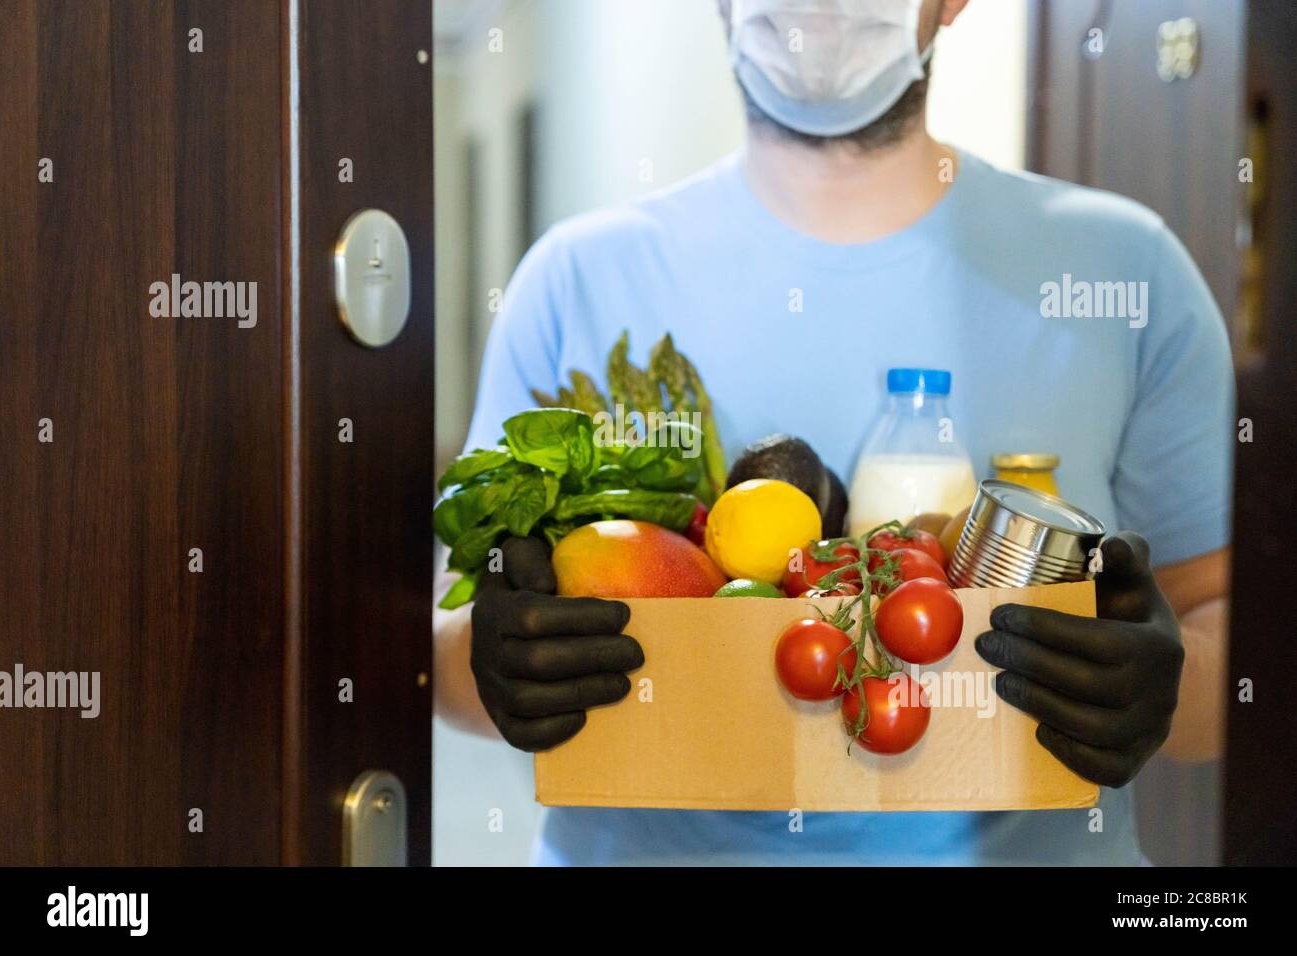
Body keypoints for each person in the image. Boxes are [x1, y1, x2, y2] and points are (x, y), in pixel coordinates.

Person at [433, 0, 1233, 865]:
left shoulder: (1123, 269)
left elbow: (1227, 647)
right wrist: (495, 665)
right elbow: (447, 659)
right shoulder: (577, 279)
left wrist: (1168, 686)